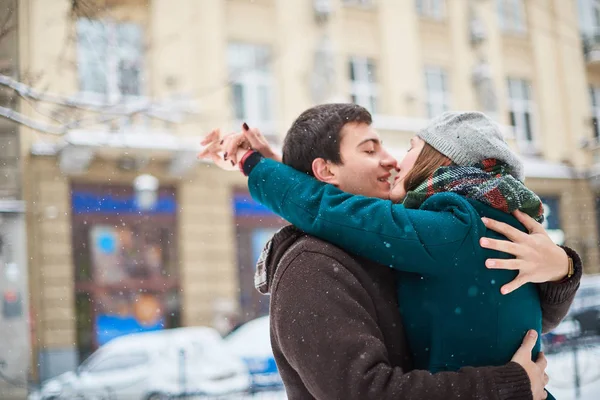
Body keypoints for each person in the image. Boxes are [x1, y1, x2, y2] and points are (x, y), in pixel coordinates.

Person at [200, 105, 581, 400]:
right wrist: (504, 387)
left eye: (405, 148)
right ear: (325, 171)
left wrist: (561, 267)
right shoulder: (313, 267)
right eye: (370, 149)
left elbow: (523, 320)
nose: (394, 160)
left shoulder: (436, 232)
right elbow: (364, 393)